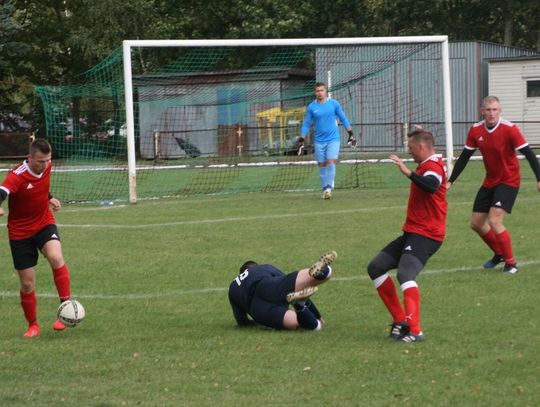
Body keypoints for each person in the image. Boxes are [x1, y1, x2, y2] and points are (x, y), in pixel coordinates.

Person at [367, 129, 447, 342]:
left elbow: (432, 185)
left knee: (405, 274)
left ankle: (415, 330)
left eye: (411, 148)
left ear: (421, 147)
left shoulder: (434, 166)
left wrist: (408, 172)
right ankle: (400, 321)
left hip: (427, 235)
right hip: (412, 232)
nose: (409, 152)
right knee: (376, 267)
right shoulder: (427, 163)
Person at [447, 96, 540, 274]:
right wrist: (450, 181)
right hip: (490, 180)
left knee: (495, 220)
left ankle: (511, 263)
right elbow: (464, 157)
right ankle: (499, 253)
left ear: (500, 110)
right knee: (476, 223)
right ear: (482, 111)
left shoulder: (510, 129)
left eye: (495, 110)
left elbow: (529, 153)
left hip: (509, 180)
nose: (491, 113)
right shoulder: (475, 131)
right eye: (488, 110)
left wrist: (539, 178)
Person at [0, 138, 73, 337]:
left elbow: (40, 185)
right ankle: (33, 325)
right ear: (30, 157)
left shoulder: (46, 167)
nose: (45, 165)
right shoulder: (17, 175)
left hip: (43, 222)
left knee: (56, 258)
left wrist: (49, 197)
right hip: (20, 232)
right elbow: (3, 191)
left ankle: (66, 311)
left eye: (48, 160)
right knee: (27, 283)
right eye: (40, 161)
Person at [228, 251, 337, 330]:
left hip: (258, 309)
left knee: (313, 326)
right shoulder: (263, 267)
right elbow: (296, 288)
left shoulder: (233, 287)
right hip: (268, 286)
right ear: (255, 266)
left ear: (240, 274)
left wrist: (258, 324)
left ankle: (300, 305)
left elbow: (242, 321)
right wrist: (318, 315)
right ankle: (322, 274)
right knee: (326, 274)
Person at [299, 82, 354, 199]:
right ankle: (325, 189)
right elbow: (306, 124)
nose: (320, 93)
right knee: (322, 164)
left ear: (326, 91)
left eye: (322, 90)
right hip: (319, 141)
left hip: (333, 139)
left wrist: (350, 133)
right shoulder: (311, 107)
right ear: (315, 92)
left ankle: (328, 188)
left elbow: (343, 118)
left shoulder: (334, 104)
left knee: (330, 161)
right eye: (317, 91)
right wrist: (301, 139)